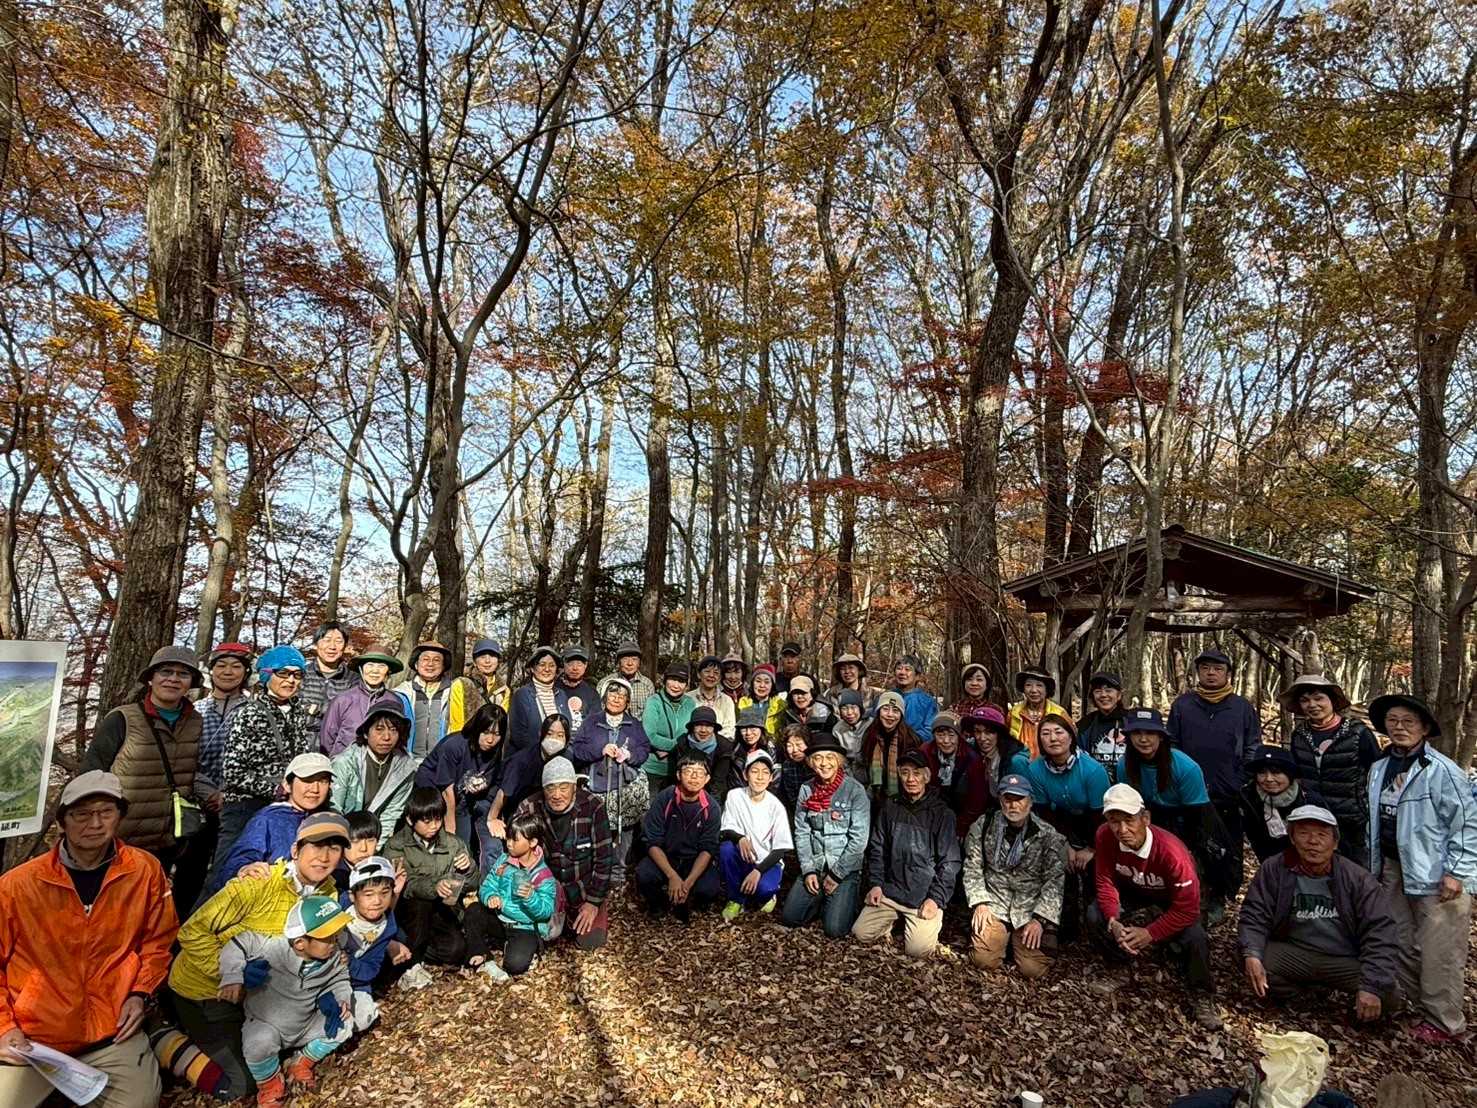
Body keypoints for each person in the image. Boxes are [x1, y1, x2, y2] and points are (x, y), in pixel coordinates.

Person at [0, 771, 178, 1108]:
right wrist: (4, 1028)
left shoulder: (144, 871)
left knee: (140, 1102)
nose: (94, 823)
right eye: (81, 814)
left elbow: (158, 941)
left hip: (110, 1034)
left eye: (106, 812)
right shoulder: (17, 885)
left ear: (120, 816)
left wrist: (140, 993)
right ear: (63, 821)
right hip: (32, 1039)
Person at [169, 812, 349, 1094]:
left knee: (275, 1050)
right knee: (243, 1084)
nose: (324, 857)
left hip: (261, 996)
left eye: (334, 848)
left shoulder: (328, 895)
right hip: (204, 990)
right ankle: (163, 1036)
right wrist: (232, 974)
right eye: (315, 845)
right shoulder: (259, 883)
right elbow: (191, 932)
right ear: (295, 850)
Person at [1364, 693, 1477, 1044]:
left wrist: (1458, 872)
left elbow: (1468, 823)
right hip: (1394, 867)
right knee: (1397, 939)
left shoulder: (1442, 770)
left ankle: (1445, 1022)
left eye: (1408, 722)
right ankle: (1422, 1005)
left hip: (1438, 872)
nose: (1399, 728)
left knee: (1440, 949)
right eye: (1393, 721)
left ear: (1425, 728)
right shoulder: (1381, 767)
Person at [1239, 805, 1403, 1023]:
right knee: (1254, 958)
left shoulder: (1358, 879)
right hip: (1297, 953)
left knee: (1387, 993)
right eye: (1304, 833)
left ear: (1335, 843)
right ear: (1292, 838)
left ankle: (1354, 1007)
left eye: (1321, 835)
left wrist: (1372, 986)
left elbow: (1381, 933)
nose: (1312, 841)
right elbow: (1254, 915)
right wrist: (1252, 953)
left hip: (1344, 960)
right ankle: (1301, 995)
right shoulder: (1275, 869)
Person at [81, 644, 208, 913]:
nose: (173, 679)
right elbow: (91, 774)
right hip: (120, 837)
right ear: (151, 678)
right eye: (166, 671)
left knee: (147, 910)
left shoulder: (197, 722)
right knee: (109, 909)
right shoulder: (122, 719)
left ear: (191, 683)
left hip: (167, 841)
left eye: (183, 674)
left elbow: (197, 769)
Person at [1089, 783, 1221, 1030]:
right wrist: (1113, 919)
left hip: (1171, 898)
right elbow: (1105, 881)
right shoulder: (1104, 836)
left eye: (1129, 820)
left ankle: (1202, 993)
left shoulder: (1171, 852)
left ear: (1145, 818)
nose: (1122, 829)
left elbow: (1187, 908)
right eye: (1114, 821)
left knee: (1195, 936)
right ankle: (1118, 966)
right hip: (1133, 889)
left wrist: (1150, 933)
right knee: (1096, 914)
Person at [217, 896, 354, 1106]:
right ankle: (270, 1084)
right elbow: (239, 942)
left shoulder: (334, 955)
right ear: (300, 943)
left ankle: (302, 1061)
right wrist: (233, 975)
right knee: (257, 1045)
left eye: (335, 935)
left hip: (305, 1023)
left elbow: (340, 978)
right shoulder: (274, 949)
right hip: (267, 1023)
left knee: (348, 1021)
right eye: (327, 937)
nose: (335, 941)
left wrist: (341, 997)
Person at [1118, 706, 1239, 923]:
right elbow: (1129, 805)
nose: (1144, 739)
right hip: (1148, 816)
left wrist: (1185, 847)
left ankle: (1208, 901)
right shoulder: (1124, 766)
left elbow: (1198, 816)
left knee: (1200, 857)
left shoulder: (1185, 767)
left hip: (1189, 817)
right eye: (1137, 733)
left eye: (1150, 733)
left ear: (1161, 737)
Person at [214, 645, 318, 884]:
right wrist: (276, 788)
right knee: (228, 871)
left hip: (285, 808)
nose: (291, 680)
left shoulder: (297, 713)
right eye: (283, 673)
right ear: (266, 674)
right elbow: (233, 771)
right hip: (245, 806)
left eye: (297, 674)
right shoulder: (249, 713)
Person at [1168, 646, 1261, 906]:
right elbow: (1171, 744)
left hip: (1228, 794)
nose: (1211, 674)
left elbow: (1253, 746)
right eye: (1206, 668)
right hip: (1188, 793)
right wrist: (1177, 777)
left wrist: (1240, 780)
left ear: (1228, 674)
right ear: (1197, 672)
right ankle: (1188, 897)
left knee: (1225, 848)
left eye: (1218, 669)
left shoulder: (1242, 707)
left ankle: (1220, 897)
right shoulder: (1183, 704)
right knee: (1188, 846)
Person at [851, 750, 960, 960]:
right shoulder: (890, 806)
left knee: (917, 951)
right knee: (861, 934)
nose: (911, 779)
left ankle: (924, 921)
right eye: (905, 773)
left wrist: (935, 899)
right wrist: (875, 884)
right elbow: (877, 848)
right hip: (890, 891)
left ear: (927, 776)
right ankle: (891, 921)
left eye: (917, 773)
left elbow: (950, 863)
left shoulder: (942, 813)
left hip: (922, 896)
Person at [380, 787, 493, 981]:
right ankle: (412, 961)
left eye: (438, 819)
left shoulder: (453, 844)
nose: (434, 826)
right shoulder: (396, 846)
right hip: (411, 913)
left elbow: (473, 885)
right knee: (420, 904)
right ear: (410, 820)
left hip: (444, 912)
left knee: (456, 951)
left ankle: (422, 952)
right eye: (427, 821)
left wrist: (468, 868)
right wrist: (435, 886)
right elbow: (406, 886)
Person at [963, 773, 1067, 978]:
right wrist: (979, 902)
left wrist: (1040, 919)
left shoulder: (1047, 835)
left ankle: (1018, 942)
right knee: (983, 961)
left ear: (1030, 801)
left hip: (1029, 908)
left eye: (1019, 799)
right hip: (995, 902)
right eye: (1007, 799)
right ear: (1000, 800)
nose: (1013, 805)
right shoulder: (984, 826)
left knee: (1033, 970)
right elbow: (972, 866)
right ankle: (1001, 939)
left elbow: (1055, 881)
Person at [513, 757, 615, 950]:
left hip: (582, 889)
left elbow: (605, 858)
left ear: (574, 787)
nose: (557, 795)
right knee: (539, 942)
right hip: (544, 892)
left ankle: (581, 916)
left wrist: (593, 901)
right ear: (543, 790)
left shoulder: (593, 807)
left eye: (564, 787)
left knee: (590, 941)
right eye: (551, 788)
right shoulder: (528, 808)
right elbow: (515, 856)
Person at [204, 752, 335, 899]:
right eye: (307, 780)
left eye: (323, 781)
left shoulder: (329, 820)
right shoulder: (269, 819)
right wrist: (244, 868)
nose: (315, 789)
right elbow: (241, 858)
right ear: (287, 784)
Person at [1281, 674, 1380, 860]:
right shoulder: (1299, 735)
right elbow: (1298, 775)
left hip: (1354, 821)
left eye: (1319, 698)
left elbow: (1377, 773)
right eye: (1305, 700)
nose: (1312, 705)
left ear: (1332, 701)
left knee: (1355, 874)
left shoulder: (1358, 733)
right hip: (1314, 818)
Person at [1025, 714, 1109, 936]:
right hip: (1060, 822)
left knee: (1093, 867)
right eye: (1046, 733)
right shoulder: (1036, 770)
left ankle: (1098, 924)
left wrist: (1090, 849)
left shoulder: (1092, 770)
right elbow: (1043, 813)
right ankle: (1066, 925)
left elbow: (1100, 816)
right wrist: (1065, 844)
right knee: (1063, 863)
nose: (1053, 738)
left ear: (1071, 737)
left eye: (1058, 732)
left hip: (1094, 823)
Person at [782, 734, 870, 937]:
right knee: (790, 917)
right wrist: (808, 870)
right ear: (811, 763)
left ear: (838, 761)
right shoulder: (806, 789)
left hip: (844, 868)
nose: (824, 763)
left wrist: (836, 875)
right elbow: (802, 832)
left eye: (830, 757)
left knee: (835, 929)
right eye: (818, 758)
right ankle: (822, 899)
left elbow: (859, 840)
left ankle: (843, 898)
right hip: (816, 863)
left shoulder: (854, 790)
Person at [417, 702, 519, 865]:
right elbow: (446, 789)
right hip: (436, 790)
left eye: (497, 734)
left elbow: (496, 784)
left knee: (463, 846)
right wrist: (450, 824)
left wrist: (493, 817)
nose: (490, 739)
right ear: (477, 728)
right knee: (449, 836)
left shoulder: (499, 752)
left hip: (463, 795)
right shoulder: (455, 745)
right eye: (486, 732)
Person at [570, 678, 650, 885]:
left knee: (627, 828)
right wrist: (600, 750)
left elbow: (644, 749)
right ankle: (598, 868)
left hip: (626, 785)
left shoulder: (634, 724)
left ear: (628, 701)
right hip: (597, 784)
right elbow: (577, 749)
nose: (617, 699)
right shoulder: (591, 721)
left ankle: (619, 871)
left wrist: (629, 754)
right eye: (613, 695)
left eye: (622, 696)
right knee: (599, 827)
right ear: (605, 698)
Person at [635, 751, 723, 919]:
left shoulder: (711, 808)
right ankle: (658, 904)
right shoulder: (665, 799)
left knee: (709, 887)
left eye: (700, 772)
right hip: (667, 856)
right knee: (644, 874)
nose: (694, 776)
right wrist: (672, 875)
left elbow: (708, 848)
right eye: (689, 771)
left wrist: (688, 883)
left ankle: (691, 901)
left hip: (694, 860)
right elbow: (652, 841)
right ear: (678, 774)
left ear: (707, 778)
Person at [476, 811, 560, 978]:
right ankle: (479, 955)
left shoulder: (543, 876)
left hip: (524, 927)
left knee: (515, 965)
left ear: (533, 842)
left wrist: (531, 897)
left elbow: (545, 912)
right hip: (500, 920)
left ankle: (520, 948)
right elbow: (487, 886)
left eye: (515, 840)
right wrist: (490, 896)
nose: (509, 844)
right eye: (508, 838)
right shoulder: (503, 861)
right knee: (473, 912)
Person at [330, 692, 418, 847]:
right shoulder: (345, 762)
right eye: (379, 729)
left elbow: (391, 814)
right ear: (365, 732)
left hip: (373, 837)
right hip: (342, 837)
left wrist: (374, 849)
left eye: (393, 730)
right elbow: (334, 810)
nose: (386, 737)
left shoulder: (406, 768)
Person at [718, 750, 793, 920]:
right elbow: (726, 828)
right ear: (745, 774)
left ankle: (769, 893)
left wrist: (758, 871)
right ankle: (735, 899)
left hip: (767, 862)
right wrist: (740, 838)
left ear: (771, 778)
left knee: (763, 891)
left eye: (765, 773)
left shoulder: (776, 806)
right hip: (743, 857)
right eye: (754, 771)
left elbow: (781, 848)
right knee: (726, 849)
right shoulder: (735, 796)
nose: (759, 777)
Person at [339, 856, 408, 1033]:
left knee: (362, 1018)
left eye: (384, 893)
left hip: (355, 982)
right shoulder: (339, 907)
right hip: (324, 977)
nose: (377, 901)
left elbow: (370, 969)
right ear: (352, 896)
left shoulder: (386, 927)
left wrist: (350, 963)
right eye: (368, 894)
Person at [1239, 744, 1326, 862]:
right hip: (1270, 865)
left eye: (1276, 772)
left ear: (1290, 775)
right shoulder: (1248, 799)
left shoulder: (1310, 801)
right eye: (1262, 773)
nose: (1269, 778)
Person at [320, 644, 404, 758]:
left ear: (388, 671)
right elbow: (327, 740)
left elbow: (399, 737)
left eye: (381, 666)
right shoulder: (343, 700)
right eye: (370, 665)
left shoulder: (395, 701)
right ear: (361, 669)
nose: (375, 671)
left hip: (380, 767)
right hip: (344, 767)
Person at [197, 642, 253, 807]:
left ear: (246, 673)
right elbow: (182, 761)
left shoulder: (256, 711)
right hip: (197, 800)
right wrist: (208, 793)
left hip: (242, 802)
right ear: (211, 671)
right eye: (221, 665)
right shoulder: (195, 711)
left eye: (236, 666)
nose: (228, 672)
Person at [921, 711, 989, 841]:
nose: (946, 741)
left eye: (951, 735)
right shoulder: (926, 752)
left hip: (961, 816)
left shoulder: (972, 759)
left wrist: (960, 827)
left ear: (959, 736)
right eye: (940, 735)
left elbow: (976, 801)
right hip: (931, 813)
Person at [858, 690, 923, 809]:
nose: (890, 715)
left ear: (901, 715)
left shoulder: (911, 739)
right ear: (878, 712)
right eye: (885, 709)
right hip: (874, 794)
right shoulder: (870, 735)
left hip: (902, 796)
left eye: (896, 710)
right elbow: (862, 764)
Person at [507, 645, 570, 755]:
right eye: (542, 665)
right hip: (529, 757)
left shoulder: (561, 695)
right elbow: (519, 735)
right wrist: (543, 754)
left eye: (552, 665)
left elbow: (567, 728)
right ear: (532, 668)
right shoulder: (522, 695)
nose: (547, 669)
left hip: (558, 756)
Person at [963, 704, 1030, 806]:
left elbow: (1025, 799)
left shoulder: (1015, 761)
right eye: (977, 731)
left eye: (989, 732)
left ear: (999, 734)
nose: (982, 738)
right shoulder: (971, 752)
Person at [641, 664, 696, 789]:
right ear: (665, 680)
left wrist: (665, 748)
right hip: (653, 769)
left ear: (686, 685)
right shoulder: (654, 702)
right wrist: (677, 746)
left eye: (681, 681)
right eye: (672, 679)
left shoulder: (690, 703)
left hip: (679, 770)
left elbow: (692, 735)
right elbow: (649, 735)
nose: (676, 685)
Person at [403, 641, 455, 756]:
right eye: (425, 659)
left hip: (444, 760)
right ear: (416, 665)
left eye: (436, 660)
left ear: (443, 666)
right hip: (407, 760)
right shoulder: (402, 692)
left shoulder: (454, 692)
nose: (430, 664)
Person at [449, 637, 510, 733]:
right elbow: (456, 723)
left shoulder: (504, 690)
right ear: (474, 661)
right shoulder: (461, 684)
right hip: (464, 741)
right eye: (482, 657)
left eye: (492, 656)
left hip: (492, 742)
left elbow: (502, 722)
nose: (487, 661)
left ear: (498, 661)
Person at [1076, 671, 1127, 782]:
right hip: (1096, 784)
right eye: (1098, 691)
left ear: (1119, 695)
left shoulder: (1131, 721)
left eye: (1108, 690)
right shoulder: (1085, 724)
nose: (1103, 695)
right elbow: (1080, 759)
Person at [1007, 667, 1067, 759]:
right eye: (1028, 685)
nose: (1033, 690)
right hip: (1021, 767)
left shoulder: (1059, 713)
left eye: (1039, 685)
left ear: (1046, 689)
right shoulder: (1014, 713)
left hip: (1051, 767)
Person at [300, 621, 354, 722]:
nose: (332, 647)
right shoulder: (301, 675)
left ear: (345, 646)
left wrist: (314, 709)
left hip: (336, 736)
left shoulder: (353, 680)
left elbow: (352, 713)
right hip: (300, 736)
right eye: (327, 640)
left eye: (338, 641)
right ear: (316, 644)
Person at [889, 654, 938, 742]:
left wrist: (907, 739)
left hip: (916, 749)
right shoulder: (887, 696)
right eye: (899, 668)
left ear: (917, 676)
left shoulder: (927, 701)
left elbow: (930, 731)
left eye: (907, 669)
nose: (902, 672)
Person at [728, 704, 776, 795]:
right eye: (744, 729)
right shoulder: (733, 751)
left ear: (761, 729)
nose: (748, 733)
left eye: (753, 728)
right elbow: (734, 782)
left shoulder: (771, 750)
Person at [691, 654, 738, 738]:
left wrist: (711, 743)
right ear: (699, 674)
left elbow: (729, 730)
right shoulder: (688, 698)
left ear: (720, 678)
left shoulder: (727, 701)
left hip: (720, 747)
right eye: (707, 671)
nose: (711, 675)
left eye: (716, 673)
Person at [557, 645, 600, 731]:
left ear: (585, 666)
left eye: (579, 664)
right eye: (571, 664)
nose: (575, 668)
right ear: (564, 664)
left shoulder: (592, 693)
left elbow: (595, 724)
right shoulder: (554, 689)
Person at [781, 674, 834, 742]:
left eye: (803, 693)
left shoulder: (826, 715)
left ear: (812, 693)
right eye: (796, 693)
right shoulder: (787, 715)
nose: (799, 696)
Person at [739, 663, 785, 739]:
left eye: (767, 682)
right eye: (758, 681)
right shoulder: (743, 703)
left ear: (772, 685)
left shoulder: (780, 705)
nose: (762, 685)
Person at [774, 724, 812, 814]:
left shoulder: (816, 762)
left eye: (799, 744)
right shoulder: (787, 766)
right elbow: (793, 797)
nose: (795, 750)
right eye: (789, 745)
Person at [832, 690, 867, 765]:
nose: (849, 713)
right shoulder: (837, 729)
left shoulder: (870, 724)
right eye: (844, 708)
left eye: (853, 707)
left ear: (860, 709)